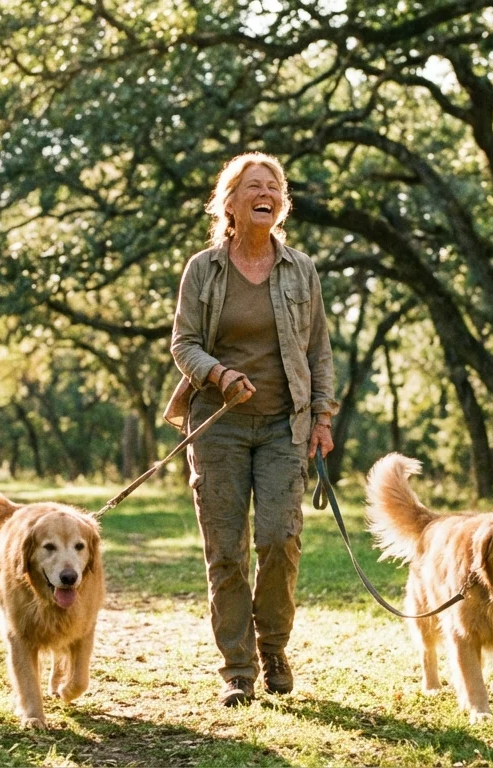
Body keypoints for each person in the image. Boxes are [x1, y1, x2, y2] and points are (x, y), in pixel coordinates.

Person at [164, 152, 338, 708]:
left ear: (280, 203)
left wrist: (323, 417)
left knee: (279, 540)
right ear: (231, 203)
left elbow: (318, 350)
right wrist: (217, 372)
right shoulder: (204, 269)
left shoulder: (301, 269)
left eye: (274, 186)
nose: (265, 192)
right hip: (218, 426)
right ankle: (237, 668)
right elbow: (183, 342)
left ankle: (273, 648)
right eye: (252, 186)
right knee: (227, 551)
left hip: (286, 426)